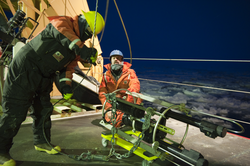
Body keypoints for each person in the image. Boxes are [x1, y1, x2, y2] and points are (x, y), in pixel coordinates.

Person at [0, 10, 105, 166]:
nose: (88, 36)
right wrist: (82, 49)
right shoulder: (63, 23)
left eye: (91, 35)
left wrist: (66, 87)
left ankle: (42, 142)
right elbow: (64, 34)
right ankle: (1, 151)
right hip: (25, 69)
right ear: (82, 22)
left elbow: (67, 69)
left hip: (44, 76)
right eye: (89, 31)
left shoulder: (75, 49)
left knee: (43, 111)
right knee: (15, 112)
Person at [99, 50, 142, 128]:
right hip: (114, 103)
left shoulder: (130, 72)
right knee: (111, 119)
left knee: (137, 97)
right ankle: (122, 119)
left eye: (118, 58)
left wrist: (127, 106)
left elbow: (135, 86)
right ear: (110, 61)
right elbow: (102, 93)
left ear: (122, 61)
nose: (116, 60)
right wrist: (108, 109)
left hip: (128, 101)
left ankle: (130, 118)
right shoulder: (105, 76)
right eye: (114, 58)